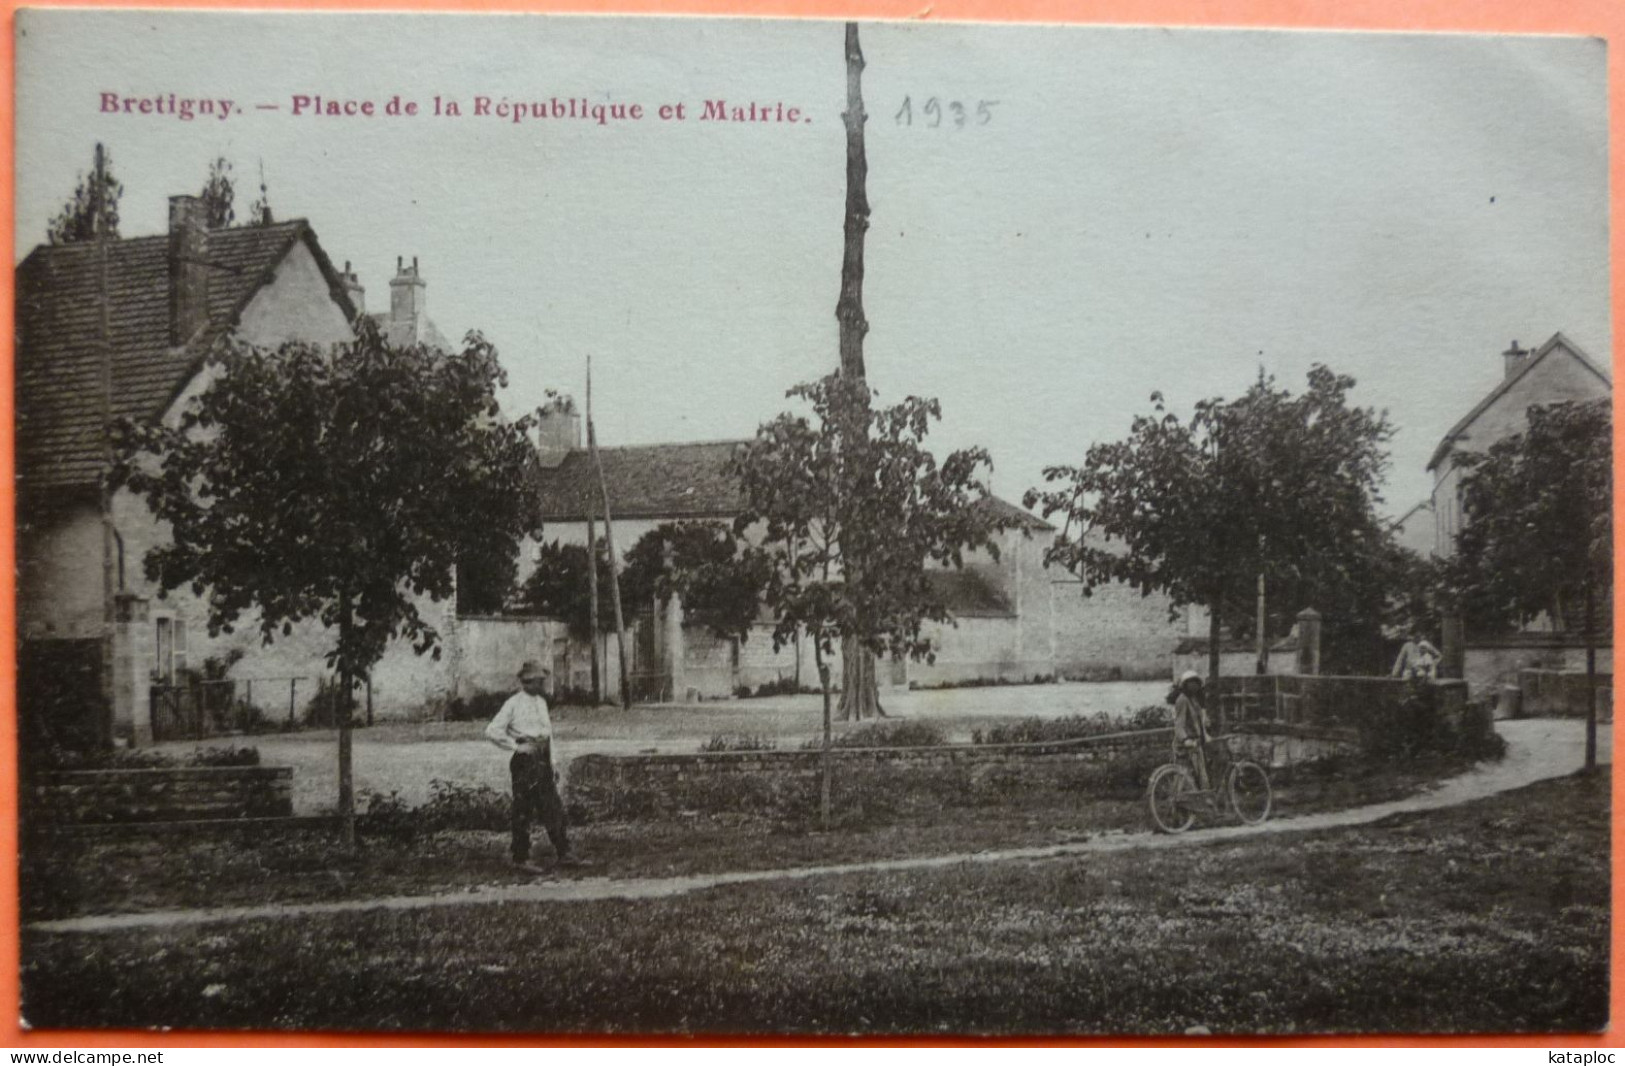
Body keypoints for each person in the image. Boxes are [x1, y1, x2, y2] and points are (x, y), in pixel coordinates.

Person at [485, 660, 584, 874]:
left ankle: (564, 852)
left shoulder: (541, 702)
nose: (540, 685)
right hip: (525, 762)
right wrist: (516, 747)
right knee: (523, 809)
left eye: (541, 681)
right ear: (525, 682)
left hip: (542, 757)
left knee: (552, 805)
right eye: (536, 681)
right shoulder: (513, 703)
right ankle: (520, 857)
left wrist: (552, 763)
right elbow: (492, 731)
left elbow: (549, 735)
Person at [1171, 669, 1214, 791]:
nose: (1193, 685)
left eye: (1195, 682)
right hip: (1186, 746)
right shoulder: (1182, 700)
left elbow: (1198, 722)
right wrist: (1185, 740)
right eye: (1190, 683)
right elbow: (1179, 723)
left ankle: (1200, 803)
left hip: (1196, 744)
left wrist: (1205, 735)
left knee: (1200, 776)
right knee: (1185, 777)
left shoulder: (1194, 700)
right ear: (1185, 685)